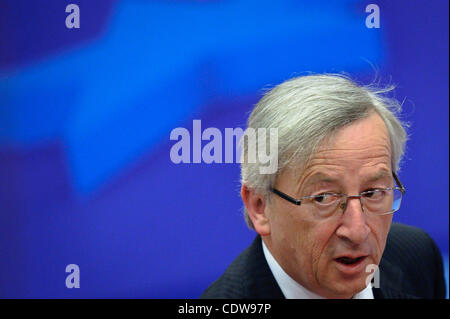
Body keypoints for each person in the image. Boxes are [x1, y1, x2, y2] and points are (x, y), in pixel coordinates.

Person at [200, 74, 446, 299]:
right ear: (260, 206)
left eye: (371, 193)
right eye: (324, 198)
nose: (357, 231)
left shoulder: (416, 256)